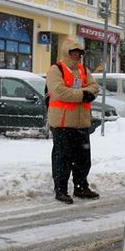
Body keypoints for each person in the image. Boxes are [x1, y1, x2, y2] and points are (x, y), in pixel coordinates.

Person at [47, 38, 100, 204]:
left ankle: (81, 187)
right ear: (67, 53)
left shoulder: (84, 70)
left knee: (83, 159)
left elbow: (95, 88)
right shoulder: (56, 70)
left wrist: (84, 92)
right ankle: (61, 190)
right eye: (74, 53)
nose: (77, 56)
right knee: (62, 159)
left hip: (81, 123)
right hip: (63, 124)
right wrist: (84, 95)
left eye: (79, 53)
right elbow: (59, 92)